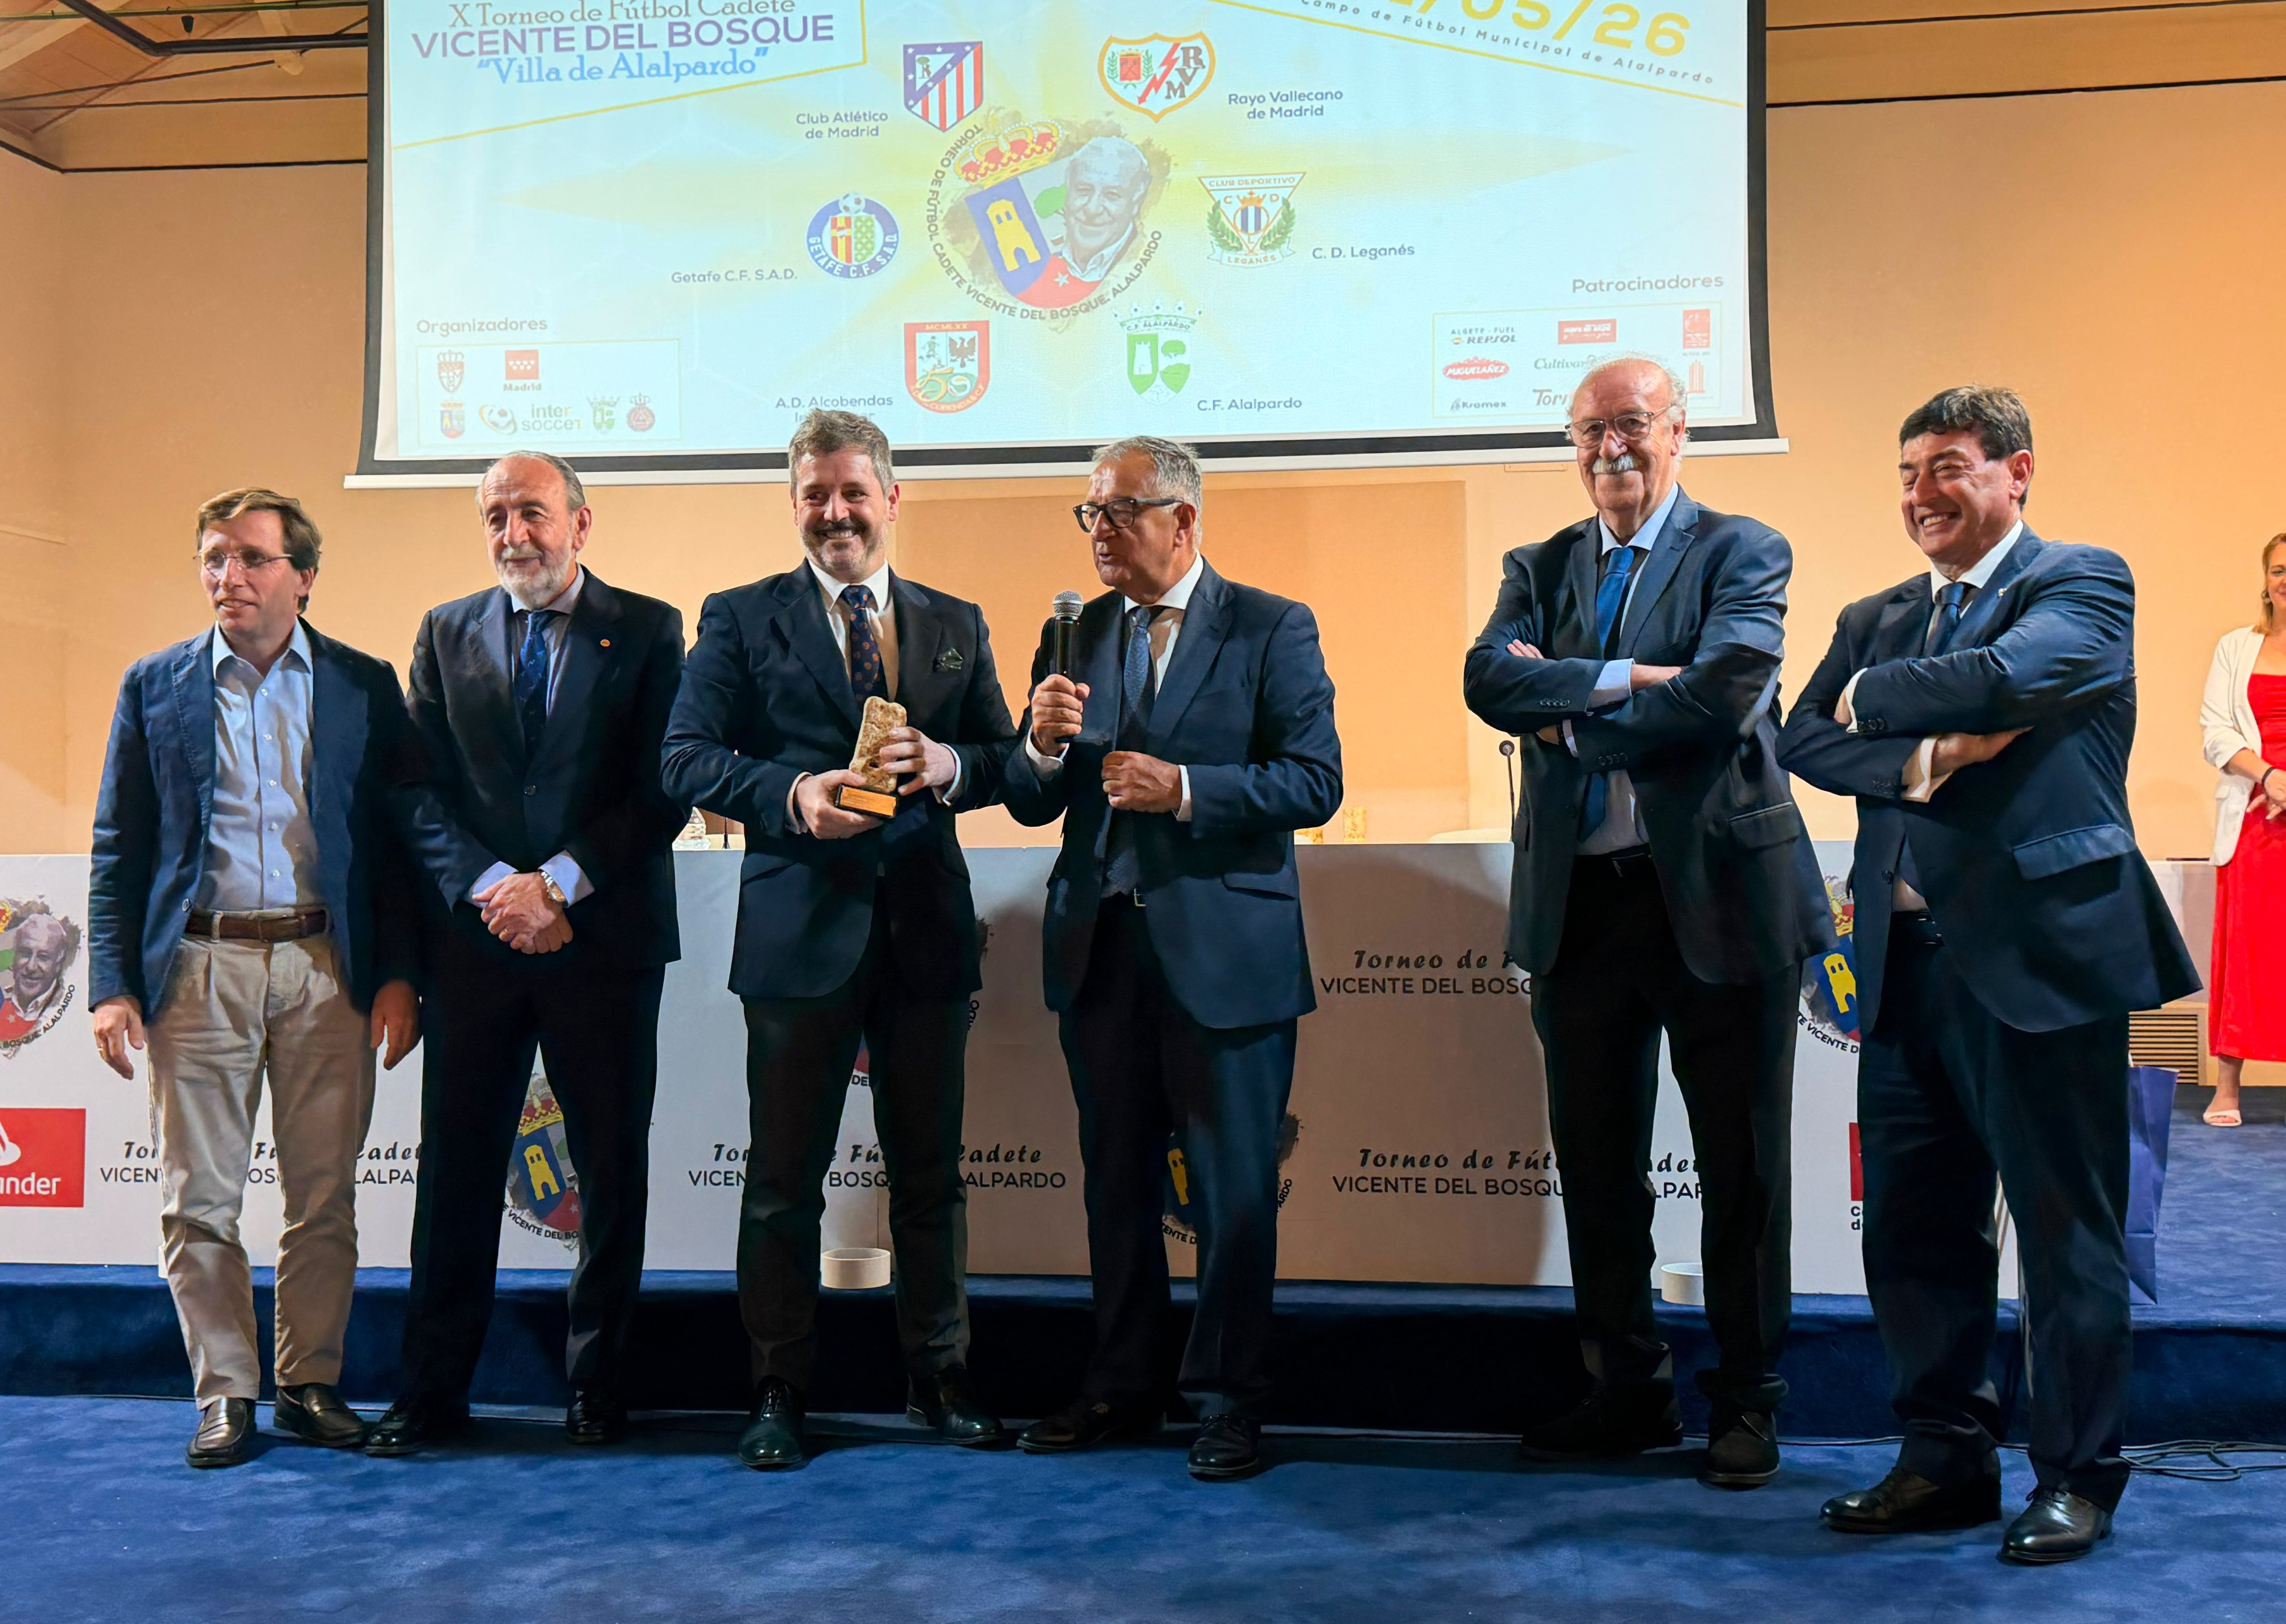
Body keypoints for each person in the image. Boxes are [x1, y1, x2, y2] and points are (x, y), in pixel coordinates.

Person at [1778, 385, 2199, 1563]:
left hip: (2040, 960)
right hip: (1901, 966)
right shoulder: (1872, 612)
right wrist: (1923, 757)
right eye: (1907, 472)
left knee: (2065, 1233)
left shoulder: (2083, 583)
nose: (1921, 493)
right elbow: (1799, 735)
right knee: (1914, 1231)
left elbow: (2011, 679)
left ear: (2017, 472)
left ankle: (2076, 1474)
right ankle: (1944, 1457)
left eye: (1948, 466)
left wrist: (1875, 699)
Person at [1461, 356, 1834, 1489]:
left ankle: (1747, 1400)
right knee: (1598, 1168)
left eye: (1630, 424)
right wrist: (1630, 676)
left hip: (1720, 904)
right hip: (1580, 911)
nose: (1608, 448)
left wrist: (1571, 711)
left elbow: (1726, 692)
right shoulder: (1537, 565)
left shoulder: (1743, 550)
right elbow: (1486, 681)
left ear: (1677, 432)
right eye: (1588, 430)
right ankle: (1624, 1389)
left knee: (1742, 1170)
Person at [660, 410, 1021, 1470]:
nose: (835, 512)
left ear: (890, 499)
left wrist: (952, 765)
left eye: (853, 492)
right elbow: (684, 756)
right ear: (795, 504)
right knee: (783, 1180)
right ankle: (778, 1385)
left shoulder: (954, 621)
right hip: (796, 936)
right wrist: (791, 793)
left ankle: (939, 1375)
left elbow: (1003, 761)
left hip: (925, 936)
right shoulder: (739, 617)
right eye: (815, 494)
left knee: (931, 1176)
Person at [1004, 436, 1342, 1481]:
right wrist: (1039, 747)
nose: (1098, 532)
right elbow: (1030, 801)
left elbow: (1314, 780)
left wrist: (1186, 789)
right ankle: (1122, 1382)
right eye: (1089, 514)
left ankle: (1230, 1397)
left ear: (1182, 519)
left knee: (1233, 1192)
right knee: (1115, 1183)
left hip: (1225, 954)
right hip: (1101, 950)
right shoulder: (1074, 633)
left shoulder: (1272, 625)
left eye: (1117, 511)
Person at [87, 487, 422, 1468]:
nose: (227, 576)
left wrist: (399, 974)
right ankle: (226, 1391)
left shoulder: (364, 683)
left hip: (328, 966)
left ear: (303, 578)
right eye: (213, 558)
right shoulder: (155, 684)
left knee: (325, 1196)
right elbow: (119, 845)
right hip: (198, 965)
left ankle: (310, 1383)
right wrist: (111, 984)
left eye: (251, 558)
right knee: (199, 1200)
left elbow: (395, 846)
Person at [370, 451, 688, 1455]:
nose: (514, 534)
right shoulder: (444, 630)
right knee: (455, 1175)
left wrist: (556, 883)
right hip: (477, 949)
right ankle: (432, 1392)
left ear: (580, 524)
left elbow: (663, 786)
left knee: (610, 1171)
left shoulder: (650, 629)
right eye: (497, 516)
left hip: (603, 943)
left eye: (534, 513)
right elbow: (414, 789)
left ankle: (598, 1387)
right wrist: (492, 887)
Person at [2197, 532, 2286, 1128]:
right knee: (2246, 952)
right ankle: (2227, 1086)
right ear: (2266, 579)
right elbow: (2215, 731)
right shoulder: (2235, 648)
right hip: (2255, 815)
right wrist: (2271, 778)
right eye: (2279, 570)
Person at [0, 907, 76, 1041]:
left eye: (43, 957)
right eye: (25, 954)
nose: (31, 967)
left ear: (58, 962)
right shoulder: (4, 1000)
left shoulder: (68, 1006)